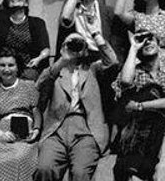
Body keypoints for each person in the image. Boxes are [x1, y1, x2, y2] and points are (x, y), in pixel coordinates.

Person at [35, 31, 117, 181]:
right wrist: (63, 60)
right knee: (44, 169)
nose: (74, 46)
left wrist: (96, 34)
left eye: (79, 43)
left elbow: (112, 62)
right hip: (56, 129)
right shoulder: (56, 71)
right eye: (70, 43)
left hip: (86, 129)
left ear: (85, 49)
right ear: (62, 48)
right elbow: (39, 86)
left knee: (80, 173)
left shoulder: (92, 69)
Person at [112, 30, 165, 181]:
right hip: (138, 129)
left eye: (150, 39)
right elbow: (126, 81)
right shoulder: (134, 71)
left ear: (158, 44)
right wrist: (134, 47)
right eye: (142, 40)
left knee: (163, 170)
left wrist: (140, 105)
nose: (147, 42)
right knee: (132, 172)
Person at [0, 48, 42, 181]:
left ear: (17, 67)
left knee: (21, 157)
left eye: (11, 65)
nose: (6, 69)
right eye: (2, 65)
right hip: (2, 134)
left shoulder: (29, 86)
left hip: (26, 134)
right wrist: (1, 135)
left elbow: (36, 112)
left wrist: (36, 129)